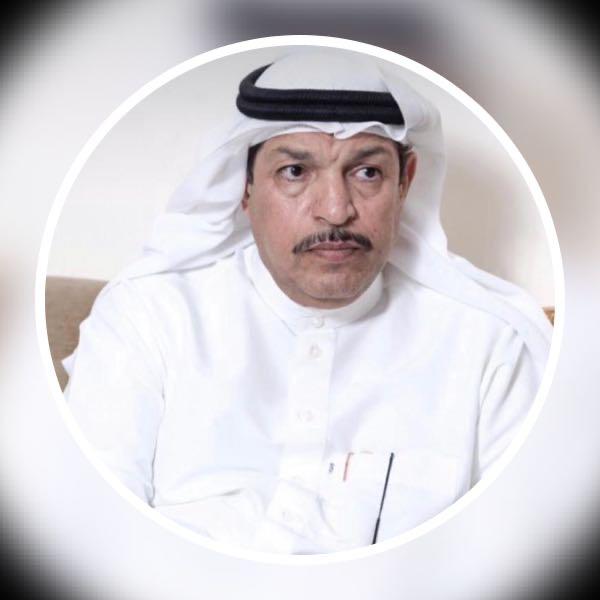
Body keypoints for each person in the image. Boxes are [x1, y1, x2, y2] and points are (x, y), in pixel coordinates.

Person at [64, 48, 552, 554]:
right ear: (245, 187)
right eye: (295, 171)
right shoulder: (149, 317)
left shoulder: (492, 344)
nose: (335, 211)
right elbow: (89, 535)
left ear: (405, 181)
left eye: (367, 173)